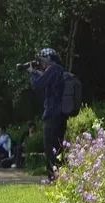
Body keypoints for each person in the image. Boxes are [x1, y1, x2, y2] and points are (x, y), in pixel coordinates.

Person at [28, 48, 67, 179]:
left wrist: (32, 72)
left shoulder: (52, 69)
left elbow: (37, 85)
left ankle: (53, 178)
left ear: (48, 60)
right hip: (61, 114)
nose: (41, 64)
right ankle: (60, 177)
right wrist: (39, 72)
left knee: (50, 148)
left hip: (52, 115)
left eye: (42, 61)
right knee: (58, 148)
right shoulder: (60, 70)